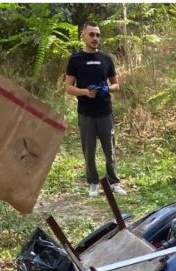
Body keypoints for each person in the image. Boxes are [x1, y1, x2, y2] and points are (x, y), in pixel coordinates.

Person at [64, 21, 125, 198]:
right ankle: (93, 183)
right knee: (89, 151)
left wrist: (108, 89)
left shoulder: (106, 59)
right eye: (91, 35)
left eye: (97, 35)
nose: (95, 38)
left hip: (105, 112)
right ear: (83, 36)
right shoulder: (75, 60)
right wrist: (85, 92)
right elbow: (68, 88)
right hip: (86, 113)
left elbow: (116, 85)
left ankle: (114, 182)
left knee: (110, 150)